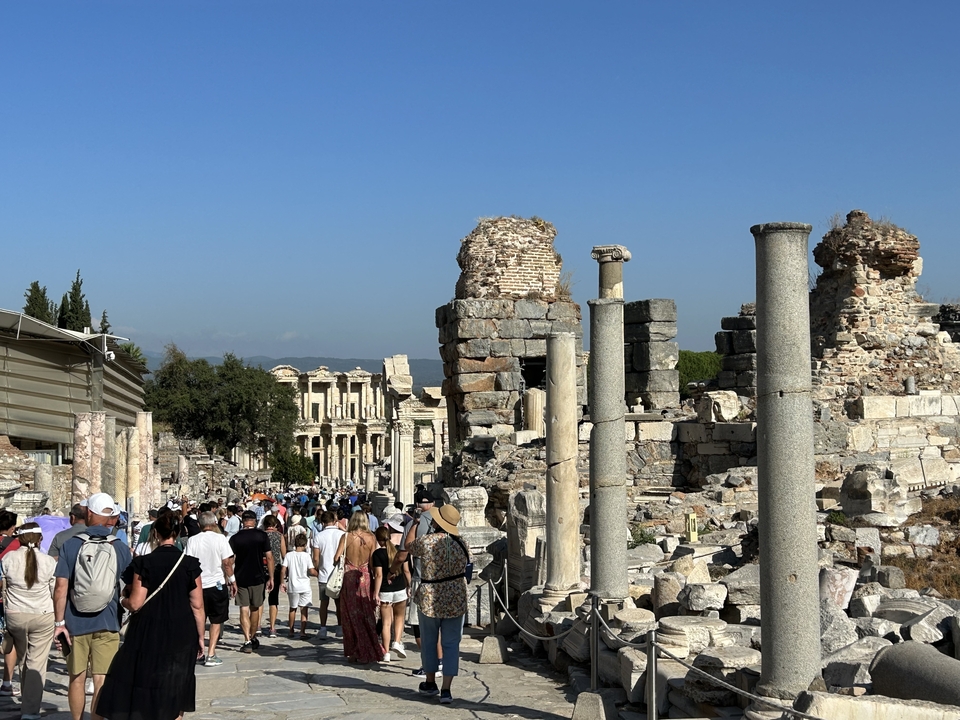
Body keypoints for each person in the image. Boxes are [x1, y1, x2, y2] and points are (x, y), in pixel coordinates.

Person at [96, 512, 205, 720]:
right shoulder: (190, 564)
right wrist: (200, 636)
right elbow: (197, 606)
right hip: (181, 631)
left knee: (145, 681)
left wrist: (123, 601)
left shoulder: (144, 563)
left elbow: (136, 602)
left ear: (155, 534)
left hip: (148, 630)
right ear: (178, 533)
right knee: (176, 684)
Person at [53, 493, 133, 720]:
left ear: (89, 513)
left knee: (76, 678)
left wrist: (59, 623)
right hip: (108, 621)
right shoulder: (120, 548)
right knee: (102, 679)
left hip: (74, 622)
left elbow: (61, 587)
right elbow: (128, 587)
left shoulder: (70, 545)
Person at [410, 504, 469, 705]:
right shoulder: (462, 543)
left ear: (437, 522)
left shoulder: (426, 542)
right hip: (455, 597)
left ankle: (429, 681)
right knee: (452, 644)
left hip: (430, 596)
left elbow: (408, 547)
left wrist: (414, 525)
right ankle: (446, 689)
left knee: (429, 640)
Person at [1, 522, 56, 720]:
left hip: (16, 615)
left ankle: (27, 699)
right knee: (36, 663)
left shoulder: (8, 558)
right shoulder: (49, 561)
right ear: (40, 539)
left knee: (24, 660)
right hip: (42, 614)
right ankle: (30, 710)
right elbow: (53, 591)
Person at [184, 511, 236, 666]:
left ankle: (198, 650)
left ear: (199, 525)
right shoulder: (221, 539)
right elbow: (227, 563)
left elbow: (187, 564)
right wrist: (233, 581)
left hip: (197, 585)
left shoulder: (192, 540)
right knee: (216, 619)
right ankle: (211, 653)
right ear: (214, 524)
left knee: (198, 618)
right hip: (216, 584)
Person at [333, 511, 383, 664]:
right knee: (367, 614)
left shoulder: (346, 537)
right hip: (366, 576)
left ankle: (355, 651)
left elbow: (336, 558)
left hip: (349, 576)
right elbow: (374, 562)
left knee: (350, 615)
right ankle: (369, 649)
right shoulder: (371, 538)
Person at [229, 510, 273, 654]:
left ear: (243, 521)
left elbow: (230, 560)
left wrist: (230, 579)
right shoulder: (261, 536)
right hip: (258, 576)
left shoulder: (235, 538)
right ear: (254, 521)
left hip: (241, 577)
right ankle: (253, 636)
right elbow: (269, 557)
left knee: (243, 608)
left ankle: (247, 640)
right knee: (255, 608)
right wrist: (271, 577)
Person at [371, 523, 409, 662]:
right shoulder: (398, 551)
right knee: (399, 618)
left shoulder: (377, 554)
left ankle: (386, 652)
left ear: (378, 539)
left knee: (386, 623)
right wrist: (409, 585)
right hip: (399, 589)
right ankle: (397, 642)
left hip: (385, 591)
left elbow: (379, 575)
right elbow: (406, 571)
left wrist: (376, 593)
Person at [310, 511, 345, 640]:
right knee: (339, 603)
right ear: (335, 520)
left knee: (324, 603)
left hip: (324, 573)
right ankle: (340, 627)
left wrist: (317, 568)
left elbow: (316, 558)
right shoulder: (342, 534)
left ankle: (323, 628)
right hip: (339, 574)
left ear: (322, 522)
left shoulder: (318, 537)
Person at [280, 534, 317, 638]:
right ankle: (302, 632)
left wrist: (282, 582)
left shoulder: (289, 555)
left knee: (292, 608)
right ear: (305, 544)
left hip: (293, 585)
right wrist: (318, 574)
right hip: (304, 586)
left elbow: (283, 569)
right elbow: (311, 570)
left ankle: (291, 631)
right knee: (304, 609)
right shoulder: (306, 556)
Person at [261, 514, 286, 638]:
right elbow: (284, 553)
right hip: (275, 568)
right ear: (275, 525)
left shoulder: (260, 536)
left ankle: (257, 626)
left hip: (261, 568)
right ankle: (272, 627)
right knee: (273, 599)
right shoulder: (279, 536)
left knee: (259, 599)